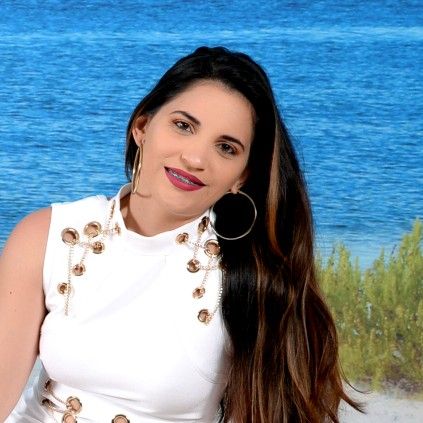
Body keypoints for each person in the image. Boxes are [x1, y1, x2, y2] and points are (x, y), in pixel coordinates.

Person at [0, 46, 361, 422]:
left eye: (226, 148)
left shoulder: (249, 279)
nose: (196, 158)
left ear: (242, 176)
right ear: (142, 127)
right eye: (184, 126)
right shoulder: (51, 237)